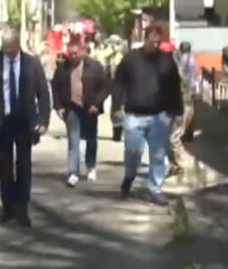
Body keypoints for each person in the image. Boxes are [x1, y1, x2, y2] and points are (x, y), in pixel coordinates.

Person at [0, 28, 51, 227]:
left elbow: (43, 94)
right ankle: (7, 207)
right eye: (5, 49)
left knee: (24, 166)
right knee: (4, 167)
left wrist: (43, 120)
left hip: (24, 122)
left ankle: (22, 209)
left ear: (18, 45)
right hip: (2, 122)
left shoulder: (32, 64)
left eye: (11, 49)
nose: (8, 52)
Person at [114, 25, 182, 206]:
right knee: (132, 152)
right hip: (134, 115)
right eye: (152, 39)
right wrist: (116, 106)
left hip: (159, 115)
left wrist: (176, 111)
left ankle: (155, 188)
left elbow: (175, 88)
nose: (154, 42)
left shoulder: (167, 62)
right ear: (145, 38)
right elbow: (119, 83)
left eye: (157, 40)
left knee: (158, 154)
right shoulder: (130, 59)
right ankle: (129, 177)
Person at [51, 39, 108, 187]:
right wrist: (58, 106)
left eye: (76, 53)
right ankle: (73, 172)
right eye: (71, 53)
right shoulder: (63, 68)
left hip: (89, 108)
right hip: (71, 108)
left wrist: (97, 103)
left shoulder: (94, 67)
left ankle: (91, 166)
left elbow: (106, 86)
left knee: (91, 139)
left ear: (83, 52)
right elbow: (55, 87)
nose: (74, 56)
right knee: (73, 140)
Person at [168, 41, 200, 175]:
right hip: (187, 98)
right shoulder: (191, 60)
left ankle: (182, 164)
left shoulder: (181, 64)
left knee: (173, 137)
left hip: (183, 101)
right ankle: (175, 165)